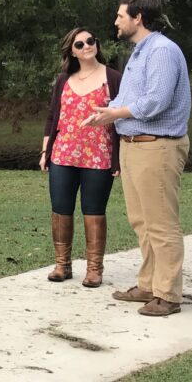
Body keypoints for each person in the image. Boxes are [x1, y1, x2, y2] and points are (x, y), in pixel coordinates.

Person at [83, 0, 191, 317]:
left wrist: (114, 114)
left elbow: (155, 101)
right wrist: (110, 110)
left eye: (120, 16)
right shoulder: (139, 53)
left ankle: (168, 295)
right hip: (134, 146)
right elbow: (131, 97)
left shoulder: (161, 52)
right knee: (142, 221)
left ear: (138, 17)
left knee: (161, 224)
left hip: (157, 146)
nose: (116, 22)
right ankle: (148, 285)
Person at [40, 28, 122, 288]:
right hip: (63, 154)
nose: (87, 46)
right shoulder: (64, 80)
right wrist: (45, 152)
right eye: (80, 43)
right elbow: (53, 117)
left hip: (99, 155)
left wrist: (118, 159)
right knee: (61, 208)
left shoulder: (113, 77)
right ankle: (62, 265)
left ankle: (94, 269)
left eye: (90, 41)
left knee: (94, 210)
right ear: (72, 51)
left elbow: (122, 118)